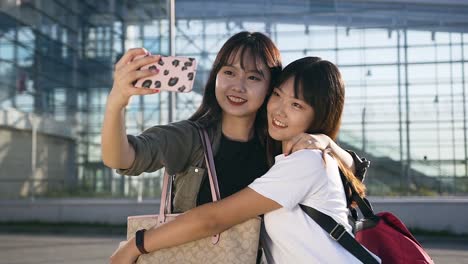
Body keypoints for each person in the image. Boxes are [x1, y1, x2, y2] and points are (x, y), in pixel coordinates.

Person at [110, 56, 380, 264]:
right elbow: (124, 158)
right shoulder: (286, 154)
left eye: (296, 105)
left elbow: (214, 219)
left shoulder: (306, 161)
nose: (279, 110)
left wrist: (136, 245)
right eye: (278, 95)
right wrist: (118, 102)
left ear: (319, 116)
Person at [101, 31, 367, 214]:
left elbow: (352, 171)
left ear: (271, 87)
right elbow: (121, 158)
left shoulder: (279, 142)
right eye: (228, 72)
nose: (237, 86)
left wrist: (327, 142)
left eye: (253, 77)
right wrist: (117, 102)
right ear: (216, 77)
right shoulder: (191, 137)